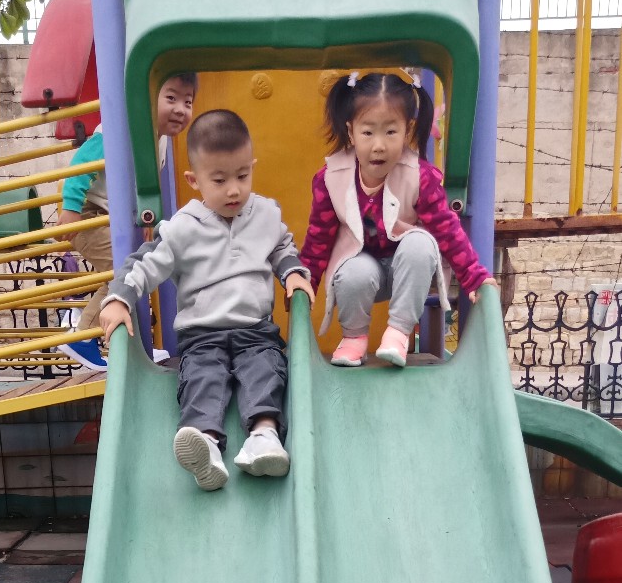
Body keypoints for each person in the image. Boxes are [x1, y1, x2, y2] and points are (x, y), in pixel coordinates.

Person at [100, 110, 314, 491]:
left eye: (242, 176)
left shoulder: (266, 213)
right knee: (202, 378)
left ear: (252, 167)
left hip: (256, 330)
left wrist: (293, 273)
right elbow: (145, 264)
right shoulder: (183, 228)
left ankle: (264, 437)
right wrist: (119, 299)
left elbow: (282, 248)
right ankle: (206, 445)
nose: (233, 190)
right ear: (194, 180)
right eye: (219, 180)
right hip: (202, 335)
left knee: (266, 371)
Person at [300, 70, 497, 368]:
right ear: (351, 132)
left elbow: (447, 230)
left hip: (408, 272)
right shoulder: (331, 179)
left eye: (390, 132)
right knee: (353, 271)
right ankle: (354, 338)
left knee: (420, 244)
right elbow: (319, 239)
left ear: (407, 131)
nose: (379, 145)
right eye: (368, 133)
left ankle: (398, 333)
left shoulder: (419, 177)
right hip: (362, 272)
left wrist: (474, 277)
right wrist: (306, 284)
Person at [58, 73, 198, 372]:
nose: (180, 109)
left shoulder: (160, 140)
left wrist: (146, 217)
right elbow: (83, 163)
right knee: (127, 271)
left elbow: (143, 184)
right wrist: (70, 208)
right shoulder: (121, 128)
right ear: (145, 99)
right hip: (87, 214)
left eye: (188, 102)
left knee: (135, 270)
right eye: (171, 98)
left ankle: (127, 346)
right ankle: (83, 337)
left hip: (112, 217)